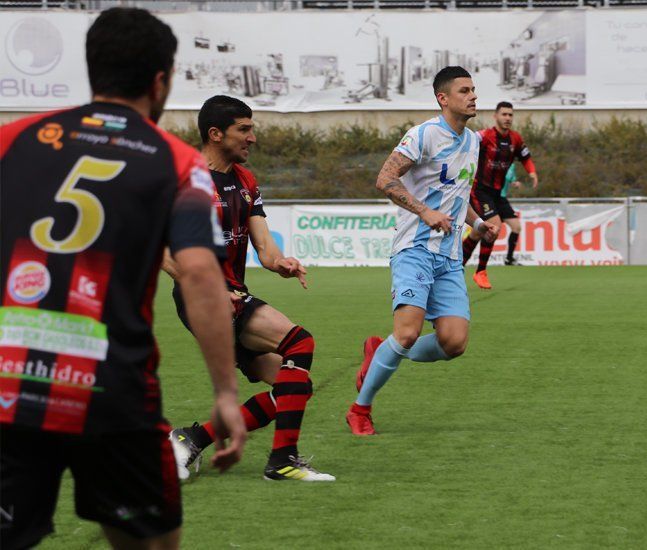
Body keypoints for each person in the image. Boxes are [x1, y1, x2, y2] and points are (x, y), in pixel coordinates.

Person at [0, 8, 245, 550]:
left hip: (10, 383)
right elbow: (202, 273)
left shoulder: (13, 139)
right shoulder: (178, 163)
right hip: (111, 391)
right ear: (161, 80)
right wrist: (226, 391)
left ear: (93, 70)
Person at [165, 95, 334, 482]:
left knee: (295, 387)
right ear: (215, 133)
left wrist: (282, 263)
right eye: (244, 129)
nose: (252, 137)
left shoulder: (244, 181)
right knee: (300, 342)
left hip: (233, 294)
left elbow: (265, 247)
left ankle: (190, 439)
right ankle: (283, 460)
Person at [345, 66, 497, 436]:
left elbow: (459, 195)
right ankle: (360, 410)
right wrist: (424, 211)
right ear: (443, 98)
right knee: (409, 333)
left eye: (474, 89)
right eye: (464, 90)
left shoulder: (474, 141)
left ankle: (381, 350)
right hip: (414, 248)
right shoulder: (424, 134)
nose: (473, 96)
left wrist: (477, 225)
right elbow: (385, 178)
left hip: (448, 258)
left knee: (454, 342)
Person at [462, 101, 539, 289]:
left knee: (514, 226)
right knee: (494, 226)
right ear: (495, 116)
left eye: (510, 115)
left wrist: (532, 172)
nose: (507, 118)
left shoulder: (515, 139)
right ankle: (480, 271)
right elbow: (466, 141)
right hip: (480, 190)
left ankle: (458, 265)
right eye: (504, 114)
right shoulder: (485, 136)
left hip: (497, 193)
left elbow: (526, 157)